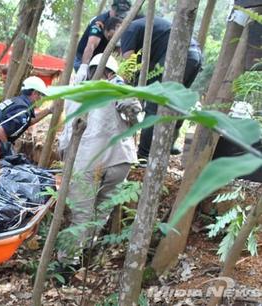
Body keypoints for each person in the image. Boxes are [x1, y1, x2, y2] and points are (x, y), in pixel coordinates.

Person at [58, 54, 140, 268]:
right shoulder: (114, 86)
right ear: (111, 72)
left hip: (84, 160)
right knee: (101, 210)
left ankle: (69, 261)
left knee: (81, 214)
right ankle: (86, 249)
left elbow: (66, 135)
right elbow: (134, 111)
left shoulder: (75, 92)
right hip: (118, 158)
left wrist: (65, 158)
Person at [120, 16, 203, 161]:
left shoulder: (129, 28)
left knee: (153, 105)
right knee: (177, 103)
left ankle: (143, 156)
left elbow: (129, 64)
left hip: (176, 57)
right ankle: (170, 143)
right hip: (195, 56)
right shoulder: (151, 26)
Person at [0, 76, 52, 158]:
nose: (41, 99)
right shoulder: (22, 110)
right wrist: (9, 154)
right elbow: (0, 132)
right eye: (41, 95)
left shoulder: (17, 102)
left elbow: (28, 121)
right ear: (35, 93)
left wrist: (48, 111)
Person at [73, 0, 132, 81]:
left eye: (122, 15)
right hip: (84, 58)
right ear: (112, 9)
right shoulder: (100, 21)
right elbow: (91, 45)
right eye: (117, 14)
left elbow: (119, 49)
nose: (119, 17)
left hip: (100, 60)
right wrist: (83, 67)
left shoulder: (122, 23)